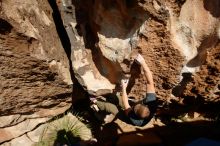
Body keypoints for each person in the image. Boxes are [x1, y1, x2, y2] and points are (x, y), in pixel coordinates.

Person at [120, 54, 157, 126]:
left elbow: (126, 104)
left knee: (112, 108)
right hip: (145, 114)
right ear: (146, 106)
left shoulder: (134, 119)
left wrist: (124, 87)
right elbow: (150, 83)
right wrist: (143, 62)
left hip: (130, 118)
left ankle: (98, 103)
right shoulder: (152, 103)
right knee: (126, 101)